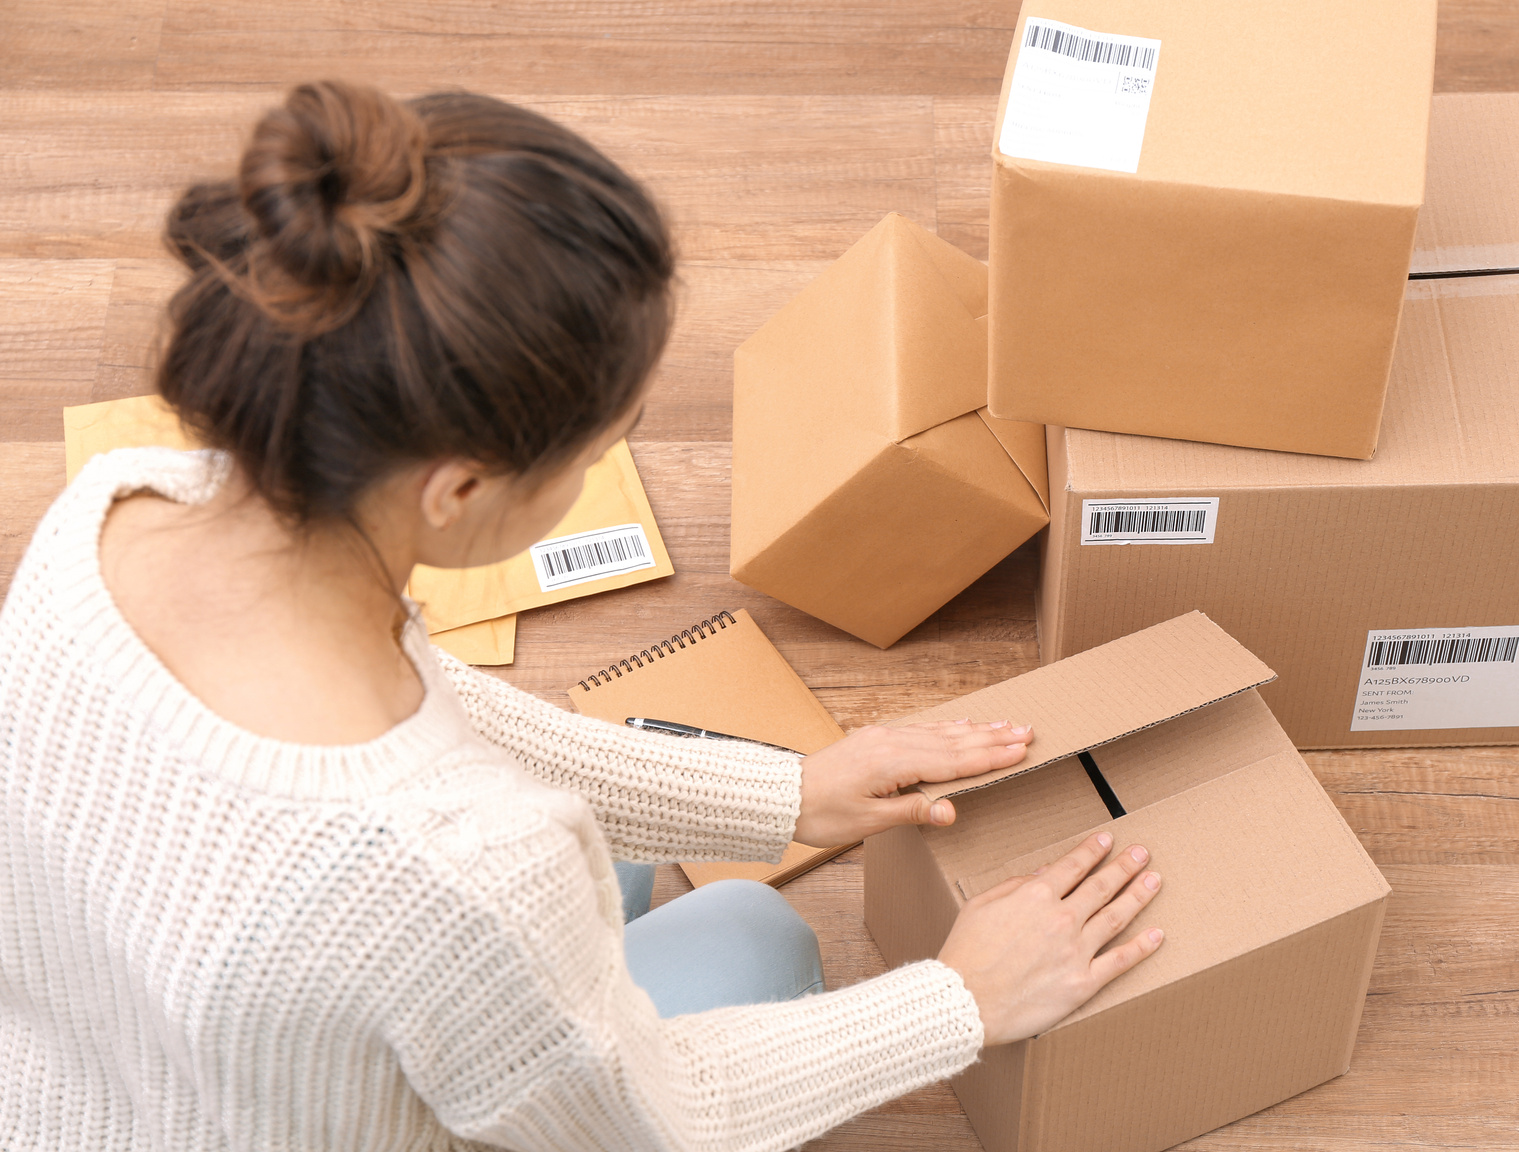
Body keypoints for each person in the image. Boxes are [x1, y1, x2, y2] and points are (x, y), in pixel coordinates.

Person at [0, 81, 1165, 1151]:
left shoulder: (114, 514)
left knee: (622, 882)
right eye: (597, 448)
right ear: (455, 489)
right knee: (755, 935)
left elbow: (430, 724)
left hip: (85, 1074)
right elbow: (652, 1119)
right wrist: (961, 999)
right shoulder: (467, 867)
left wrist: (788, 792)